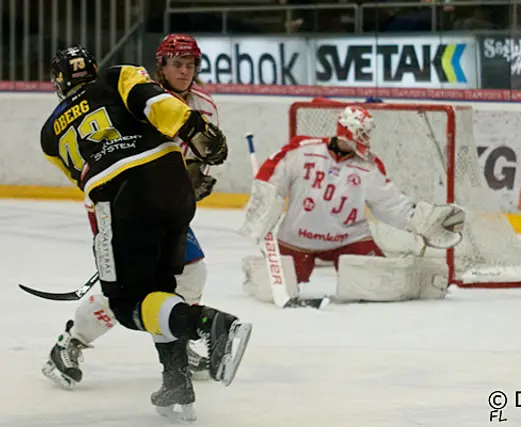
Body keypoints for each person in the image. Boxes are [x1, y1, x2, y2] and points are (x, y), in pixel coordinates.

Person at [39, 44, 251, 421]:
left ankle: (205, 325)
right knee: (164, 288)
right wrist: (193, 130)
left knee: (129, 300)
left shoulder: (48, 135)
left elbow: (89, 178)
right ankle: (174, 381)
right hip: (167, 188)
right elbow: (157, 107)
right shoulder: (119, 76)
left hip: (122, 201)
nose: (184, 72)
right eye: (178, 64)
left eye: (190, 65)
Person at [239, 105, 465, 303]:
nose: (366, 138)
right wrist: (264, 205)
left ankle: (424, 280)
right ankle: (254, 271)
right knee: (272, 289)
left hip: (350, 238)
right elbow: (270, 178)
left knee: (376, 284)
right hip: (299, 237)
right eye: (362, 132)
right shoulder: (303, 150)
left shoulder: (368, 165)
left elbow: (391, 203)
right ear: (347, 130)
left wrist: (419, 221)